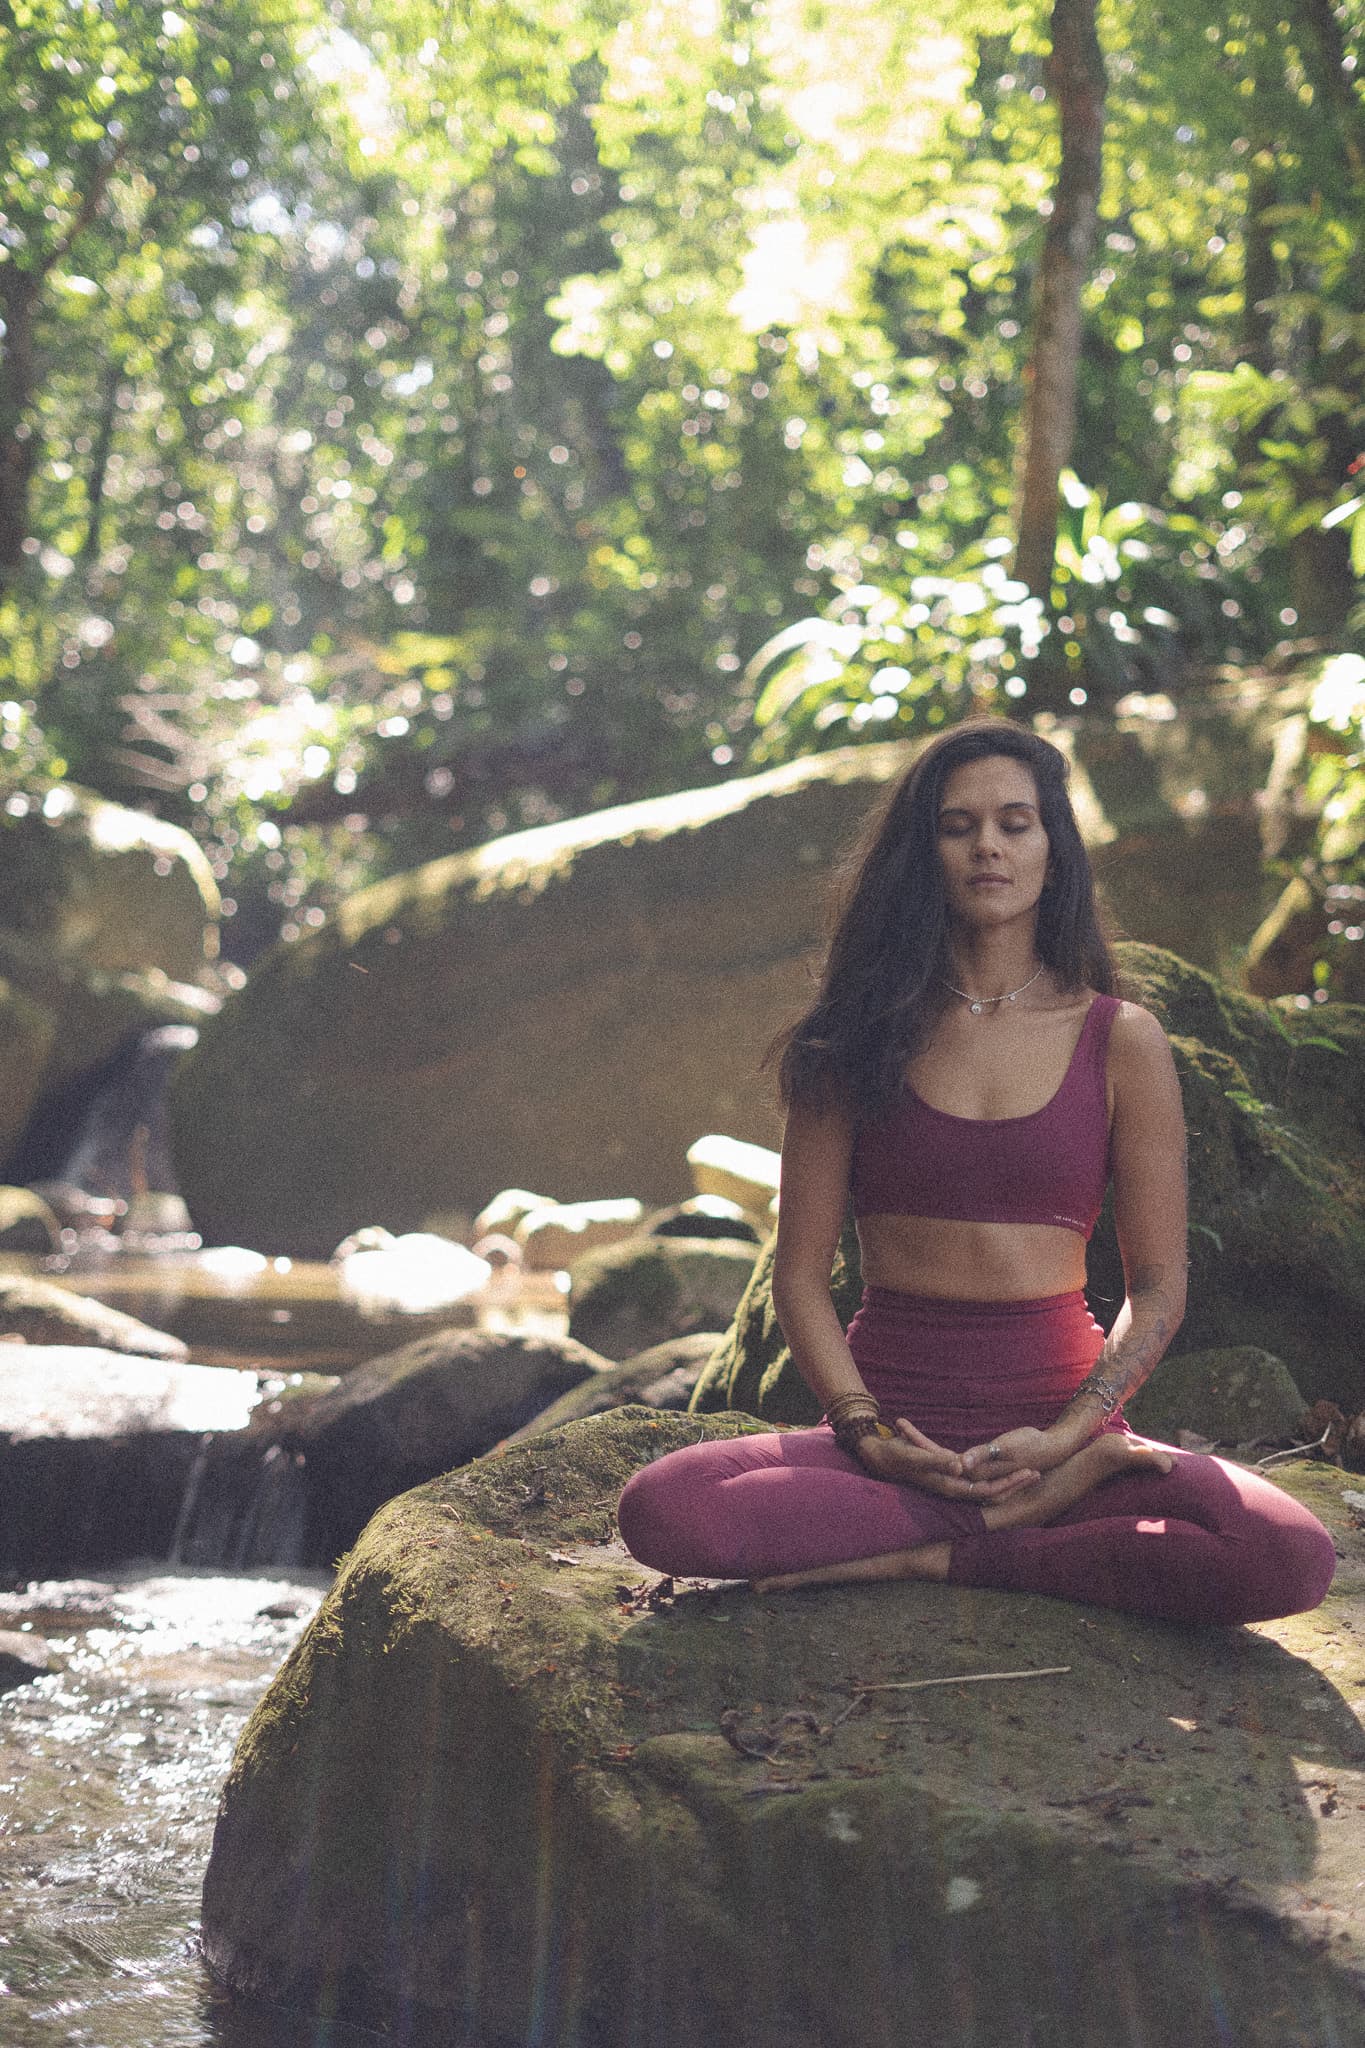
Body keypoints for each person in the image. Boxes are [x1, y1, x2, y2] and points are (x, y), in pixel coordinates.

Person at [617, 720, 1335, 1624]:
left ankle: (932, 1556)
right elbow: (797, 1278)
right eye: (957, 826)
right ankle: (999, 1530)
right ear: (924, 852)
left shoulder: (1120, 1040)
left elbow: (1156, 1285)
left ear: (1052, 846)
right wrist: (865, 1431)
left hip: (1062, 1444)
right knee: (664, 1507)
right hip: (893, 1438)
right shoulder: (851, 1038)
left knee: (1287, 1555)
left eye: (1014, 822)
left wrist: (1076, 1435)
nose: (987, 845)